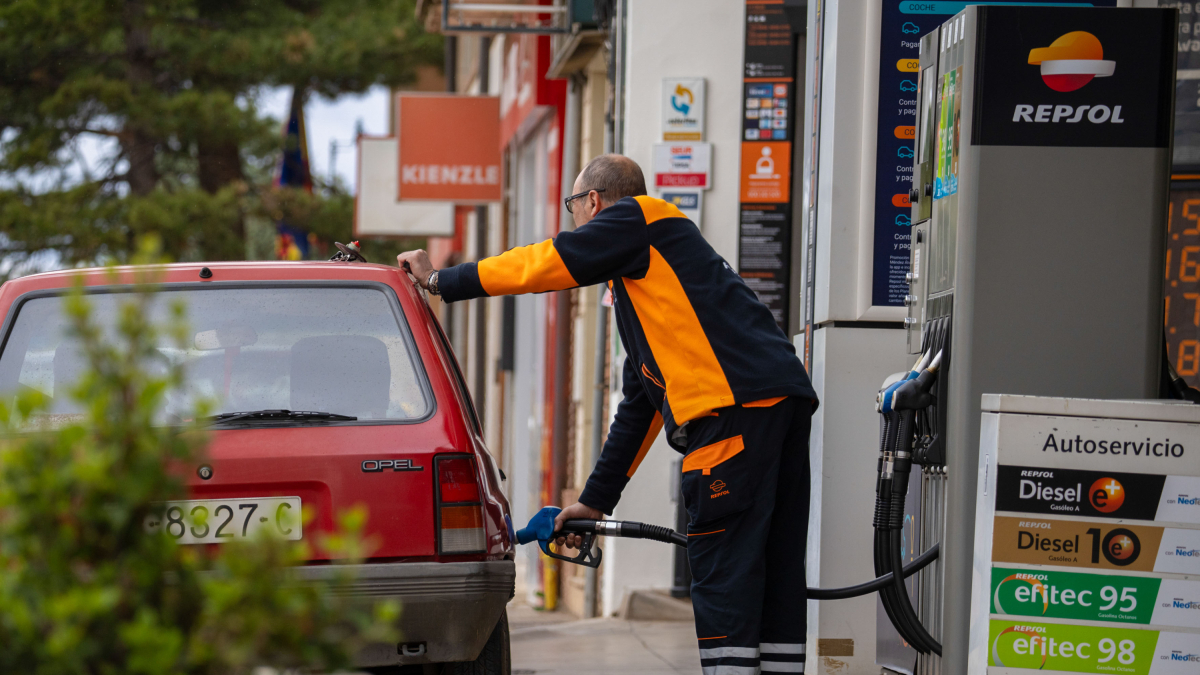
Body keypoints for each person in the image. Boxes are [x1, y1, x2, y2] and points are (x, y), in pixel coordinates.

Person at [398, 154, 818, 675]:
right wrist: (594, 503)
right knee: (774, 575)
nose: (575, 223)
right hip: (778, 406)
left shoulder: (637, 219)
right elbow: (641, 406)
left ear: (592, 202)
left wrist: (441, 280)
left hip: (731, 415)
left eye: (574, 207)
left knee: (725, 576)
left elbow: (547, 261)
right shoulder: (654, 277)